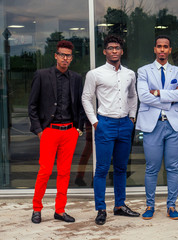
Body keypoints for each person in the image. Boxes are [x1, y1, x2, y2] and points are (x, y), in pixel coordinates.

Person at [82, 35, 139, 225]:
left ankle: (119, 206)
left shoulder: (129, 74)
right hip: (105, 124)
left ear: (122, 51)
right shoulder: (95, 74)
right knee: (102, 169)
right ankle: (101, 209)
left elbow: (133, 96)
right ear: (105, 51)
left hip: (125, 124)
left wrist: (132, 117)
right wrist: (95, 122)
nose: (114, 51)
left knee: (121, 168)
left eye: (117, 48)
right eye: (110, 48)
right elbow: (86, 98)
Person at [28, 40, 84, 224]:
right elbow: (32, 106)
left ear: (71, 58)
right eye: (62, 54)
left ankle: (60, 210)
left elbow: (80, 106)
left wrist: (78, 129)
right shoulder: (42, 75)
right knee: (44, 171)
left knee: (64, 172)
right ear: (55, 55)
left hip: (69, 132)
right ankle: (37, 209)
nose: (64, 58)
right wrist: (39, 131)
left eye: (68, 55)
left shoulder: (76, 78)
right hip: (49, 131)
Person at [136, 35, 178, 220]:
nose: (162, 50)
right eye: (159, 46)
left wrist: (158, 93)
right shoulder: (143, 71)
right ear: (154, 49)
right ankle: (150, 205)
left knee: (173, 168)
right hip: (152, 126)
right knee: (152, 168)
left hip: (174, 126)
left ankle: (171, 206)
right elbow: (143, 96)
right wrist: (169, 98)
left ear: (170, 49)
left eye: (165, 47)